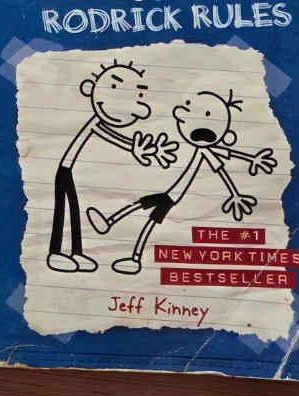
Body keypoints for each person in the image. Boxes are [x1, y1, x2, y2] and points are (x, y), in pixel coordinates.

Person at [86, 89, 276, 275]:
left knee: (147, 215)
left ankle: (131, 253)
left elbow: (223, 165)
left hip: (172, 197)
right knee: (142, 205)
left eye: (206, 115)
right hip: (170, 193)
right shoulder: (198, 148)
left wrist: (237, 189)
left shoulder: (207, 151)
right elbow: (226, 155)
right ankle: (112, 225)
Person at [48, 59, 178, 273]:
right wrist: (133, 148)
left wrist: (135, 149)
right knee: (63, 210)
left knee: (74, 211)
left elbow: (113, 136)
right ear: (89, 89)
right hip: (65, 170)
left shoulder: (99, 123)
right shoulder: (96, 122)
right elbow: (110, 135)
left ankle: (76, 252)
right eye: (115, 87)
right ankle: (55, 252)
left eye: (137, 95)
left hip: (69, 171)